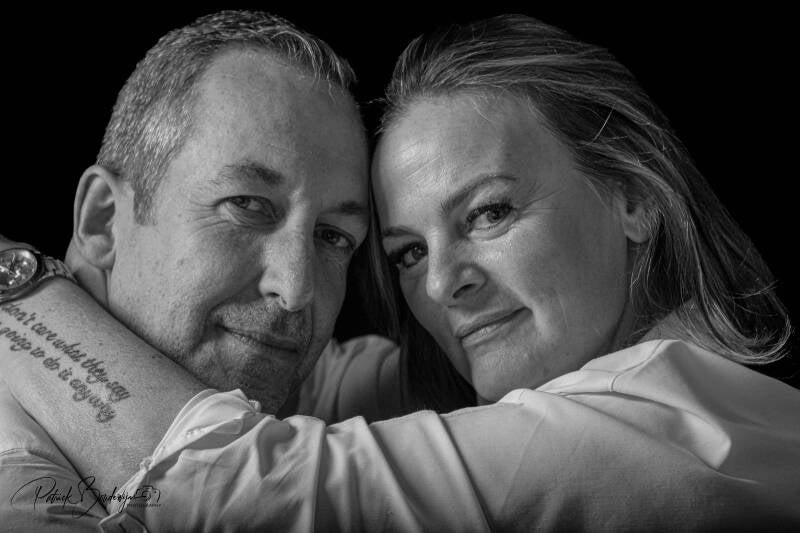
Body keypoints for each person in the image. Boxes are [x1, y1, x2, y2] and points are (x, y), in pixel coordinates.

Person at [3, 13, 800, 532]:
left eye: (490, 212)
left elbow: (240, 485)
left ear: (633, 196)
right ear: (102, 221)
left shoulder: (694, 429)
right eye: (408, 253)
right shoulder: (387, 388)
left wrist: (14, 283)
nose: (297, 292)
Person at [0, 10, 400, 531]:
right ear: (103, 221)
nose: (296, 289)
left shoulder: (329, 388)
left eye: (332, 236)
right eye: (247, 206)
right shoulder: (20, 491)